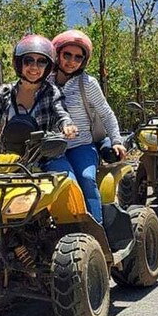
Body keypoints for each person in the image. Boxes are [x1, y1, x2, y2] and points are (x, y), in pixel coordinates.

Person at [0, 34, 77, 166]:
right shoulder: (7, 91)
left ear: (47, 66)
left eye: (41, 61)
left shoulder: (52, 92)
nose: (34, 67)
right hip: (9, 158)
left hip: (45, 157)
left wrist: (67, 126)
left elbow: (61, 113)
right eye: (28, 60)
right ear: (19, 63)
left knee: (68, 181)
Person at [48, 30, 126, 223]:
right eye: (67, 55)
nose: (71, 61)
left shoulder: (87, 83)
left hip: (81, 145)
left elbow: (106, 114)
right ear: (57, 54)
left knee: (85, 179)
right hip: (51, 149)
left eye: (78, 57)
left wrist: (116, 141)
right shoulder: (43, 82)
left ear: (84, 61)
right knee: (57, 186)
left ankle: (96, 231)